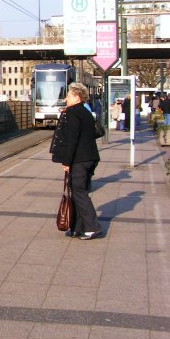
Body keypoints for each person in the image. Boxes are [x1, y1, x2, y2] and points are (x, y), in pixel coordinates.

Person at [51, 82, 102, 240]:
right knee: (78, 191)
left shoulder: (73, 113)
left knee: (79, 192)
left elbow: (72, 139)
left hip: (80, 159)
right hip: (89, 157)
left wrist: (67, 162)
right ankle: (77, 227)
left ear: (77, 97)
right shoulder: (85, 112)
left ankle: (92, 227)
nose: (66, 99)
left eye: (68, 96)